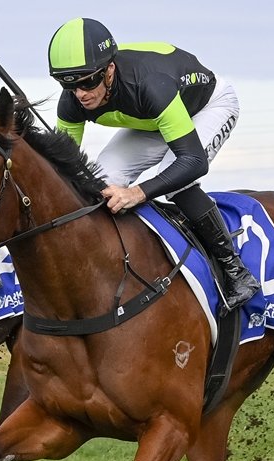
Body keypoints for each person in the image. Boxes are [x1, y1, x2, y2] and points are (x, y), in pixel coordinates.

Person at [47, 18, 259, 312]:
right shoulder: (72, 101)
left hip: (205, 107)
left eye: (88, 82)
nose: (80, 93)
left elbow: (194, 161)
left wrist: (138, 192)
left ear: (109, 71)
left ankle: (236, 271)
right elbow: (63, 168)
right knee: (101, 182)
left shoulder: (148, 84)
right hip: (150, 121)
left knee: (175, 180)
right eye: (68, 84)